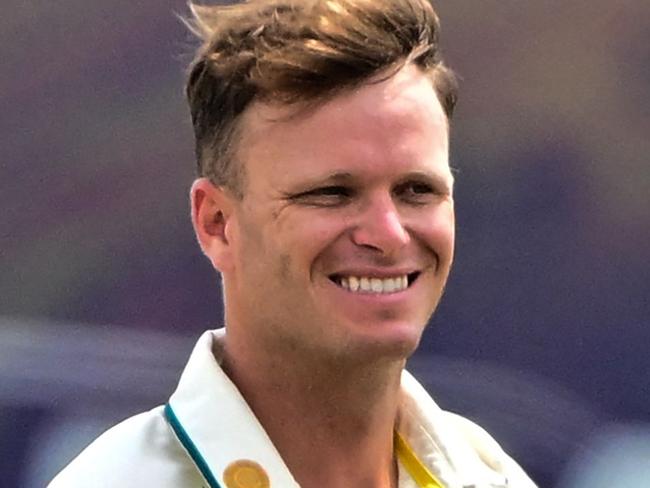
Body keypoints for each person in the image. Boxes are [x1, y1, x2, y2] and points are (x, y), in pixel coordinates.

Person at [49, 1, 537, 487]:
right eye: (332, 194)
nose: (388, 234)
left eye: (417, 190)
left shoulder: (494, 479)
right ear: (216, 223)